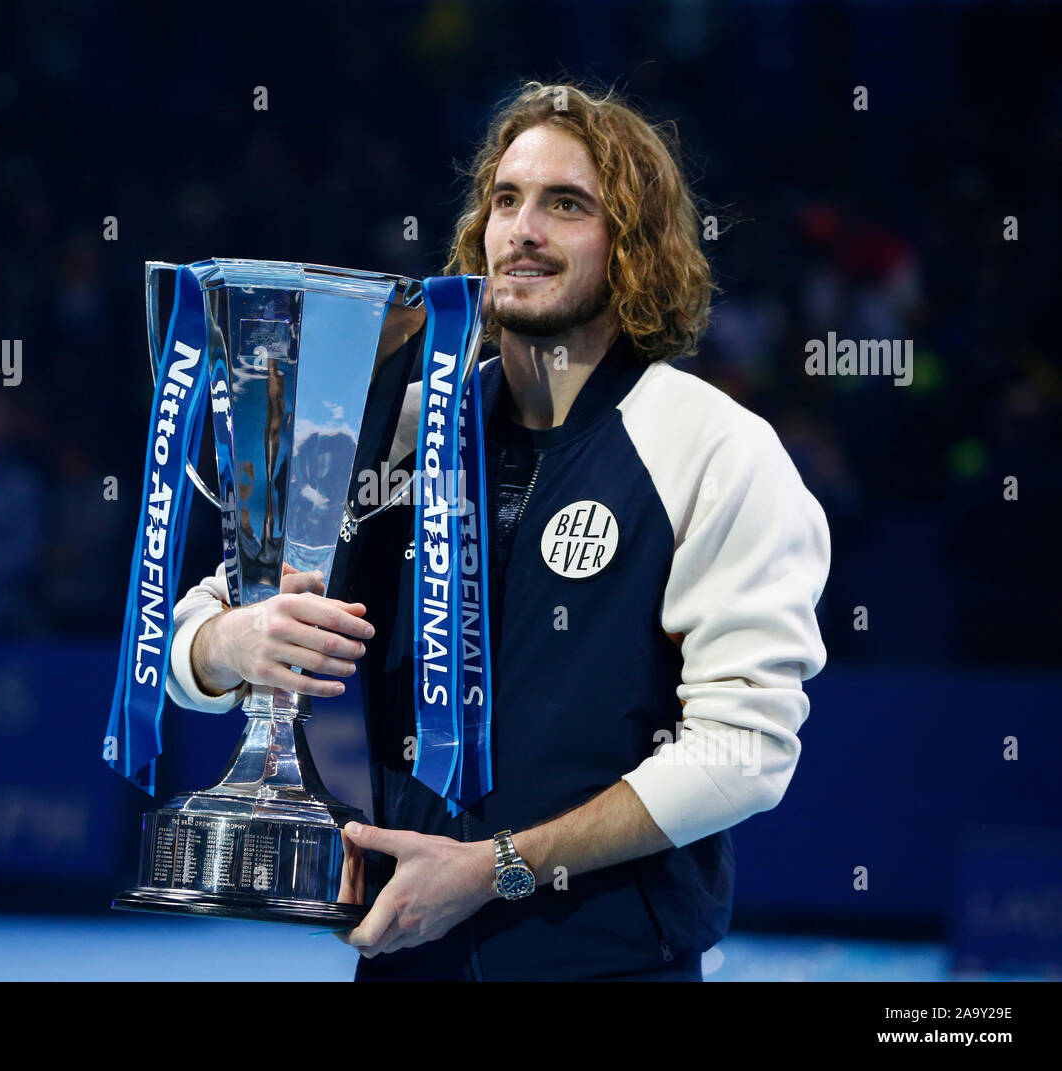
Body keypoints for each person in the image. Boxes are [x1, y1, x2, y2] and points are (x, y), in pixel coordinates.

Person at [163, 81, 831, 981]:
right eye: (505, 201)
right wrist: (235, 641)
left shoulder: (715, 452)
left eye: (566, 205)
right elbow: (193, 648)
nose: (523, 230)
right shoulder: (395, 428)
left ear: (632, 247)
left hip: (607, 966)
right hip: (405, 955)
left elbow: (746, 751)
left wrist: (496, 869)